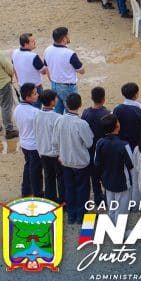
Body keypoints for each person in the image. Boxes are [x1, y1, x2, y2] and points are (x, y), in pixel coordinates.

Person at [53, 92, 93, 224]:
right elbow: (89, 143)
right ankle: (81, 215)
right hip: (80, 161)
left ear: (66, 104)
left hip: (65, 160)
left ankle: (71, 215)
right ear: (80, 104)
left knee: (69, 187)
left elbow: (55, 141)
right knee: (82, 188)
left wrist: (59, 154)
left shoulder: (59, 120)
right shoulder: (81, 124)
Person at [43, 27, 85, 114]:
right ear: (64, 39)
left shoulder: (47, 50)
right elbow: (81, 70)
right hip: (67, 87)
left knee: (57, 110)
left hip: (54, 84)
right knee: (71, 111)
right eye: (67, 35)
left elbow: (46, 66)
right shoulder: (70, 53)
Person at [81, 86, 110, 205]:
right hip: (104, 150)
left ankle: (98, 198)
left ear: (91, 98)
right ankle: (108, 197)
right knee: (106, 175)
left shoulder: (86, 113)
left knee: (94, 177)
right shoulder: (106, 113)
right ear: (103, 99)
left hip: (90, 150)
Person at [14, 83, 43, 197]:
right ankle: (38, 194)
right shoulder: (35, 112)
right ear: (28, 97)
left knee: (28, 167)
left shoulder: (18, 109)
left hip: (24, 143)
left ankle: (25, 191)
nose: (37, 95)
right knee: (36, 171)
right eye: (35, 94)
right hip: (34, 146)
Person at [34, 91, 62, 201]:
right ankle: (62, 200)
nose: (57, 100)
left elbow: (36, 132)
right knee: (60, 177)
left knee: (48, 176)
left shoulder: (37, 115)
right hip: (55, 153)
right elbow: (59, 138)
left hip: (43, 151)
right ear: (52, 102)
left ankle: (50, 200)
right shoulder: (57, 117)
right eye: (55, 98)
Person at [114, 82, 141, 148]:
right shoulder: (140, 110)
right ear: (136, 95)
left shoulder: (117, 109)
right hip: (136, 144)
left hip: (121, 143)